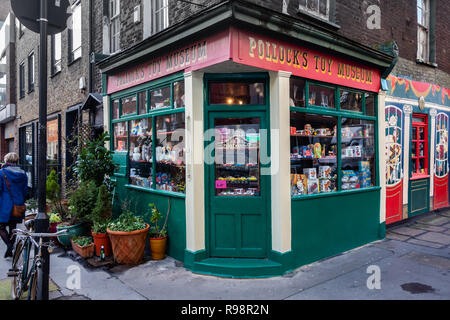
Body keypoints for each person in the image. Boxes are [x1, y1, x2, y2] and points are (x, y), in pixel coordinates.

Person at [0, 153, 28, 258]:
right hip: (18, 204)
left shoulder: (2, 172)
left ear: (6, 160)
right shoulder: (23, 173)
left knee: (1, 227)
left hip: (4, 204)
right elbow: (25, 191)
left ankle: (9, 245)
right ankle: (11, 247)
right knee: (13, 228)